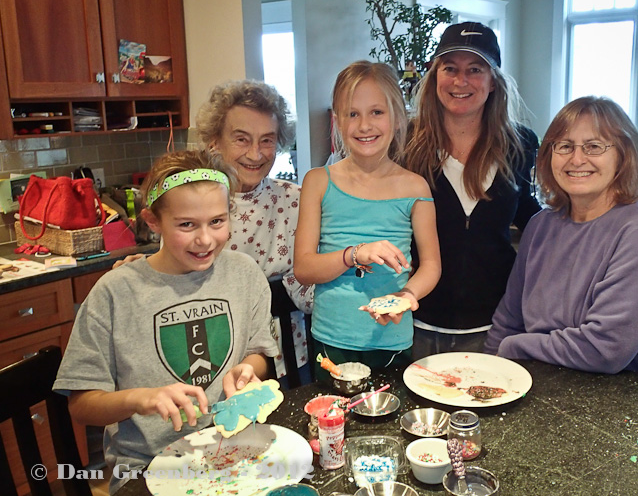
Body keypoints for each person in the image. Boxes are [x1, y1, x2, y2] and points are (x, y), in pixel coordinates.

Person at [54, 150, 279, 493]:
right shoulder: (114, 293)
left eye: (217, 221)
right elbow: (82, 404)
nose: (205, 239)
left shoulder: (245, 274)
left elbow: (258, 354)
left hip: (231, 451)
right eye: (187, 224)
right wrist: (140, 399)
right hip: (145, 469)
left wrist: (247, 369)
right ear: (154, 221)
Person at [117, 80, 312, 382]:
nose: (256, 154)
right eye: (241, 139)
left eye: (267, 140)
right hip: (212, 362)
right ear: (214, 141)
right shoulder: (194, 199)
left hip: (288, 356)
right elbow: (170, 270)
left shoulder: (297, 200)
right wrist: (140, 274)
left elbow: (311, 286)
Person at [484, 96, 638, 375]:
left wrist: (514, 347)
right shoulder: (540, 225)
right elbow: (508, 318)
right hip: (535, 385)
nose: (577, 159)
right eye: (564, 146)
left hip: (615, 402)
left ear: (624, 156)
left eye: (594, 146)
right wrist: (488, 373)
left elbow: (606, 349)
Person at [294, 61, 441, 377]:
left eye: (377, 112)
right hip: (331, 339)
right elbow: (304, 269)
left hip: (392, 341)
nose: (364, 125)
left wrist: (407, 295)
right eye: (352, 114)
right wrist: (354, 254)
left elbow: (431, 266)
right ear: (337, 120)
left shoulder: (415, 187)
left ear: (397, 117)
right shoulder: (318, 181)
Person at [403, 21, 541, 358]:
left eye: (475, 69)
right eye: (450, 68)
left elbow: (528, 212)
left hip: (494, 324)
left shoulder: (520, 144)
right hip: (414, 321)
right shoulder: (404, 143)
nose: (460, 81)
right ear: (435, 75)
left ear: (493, 81)